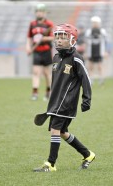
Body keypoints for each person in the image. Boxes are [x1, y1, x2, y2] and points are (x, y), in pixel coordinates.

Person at [33, 23, 95, 172]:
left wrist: (86, 99)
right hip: (55, 102)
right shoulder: (55, 57)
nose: (59, 40)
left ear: (72, 40)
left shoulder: (76, 58)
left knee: (55, 129)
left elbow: (86, 79)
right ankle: (88, 154)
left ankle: (51, 164)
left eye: (63, 37)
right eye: (57, 37)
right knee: (61, 132)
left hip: (67, 103)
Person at [26, 3, 54, 100]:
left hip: (46, 51)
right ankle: (35, 93)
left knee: (47, 73)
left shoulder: (49, 24)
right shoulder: (32, 24)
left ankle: (48, 91)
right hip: (36, 51)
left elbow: (53, 37)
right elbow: (29, 37)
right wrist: (28, 47)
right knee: (36, 72)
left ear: (45, 13)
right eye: (38, 11)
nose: (39, 13)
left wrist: (44, 38)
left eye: (41, 11)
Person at [85, 16, 108, 85]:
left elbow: (105, 42)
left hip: (100, 51)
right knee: (90, 66)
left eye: (96, 22)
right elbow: (86, 42)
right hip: (91, 52)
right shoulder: (89, 31)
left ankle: (101, 80)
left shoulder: (102, 31)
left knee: (100, 66)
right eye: (93, 23)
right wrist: (86, 52)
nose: (95, 24)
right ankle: (91, 80)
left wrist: (105, 51)